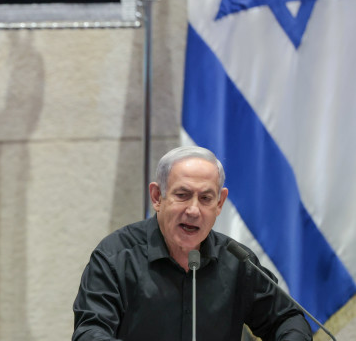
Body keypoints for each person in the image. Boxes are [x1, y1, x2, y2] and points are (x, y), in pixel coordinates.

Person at [72, 146, 312, 341]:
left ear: (219, 203)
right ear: (157, 197)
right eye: (182, 195)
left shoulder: (237, 261)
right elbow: (90, 333)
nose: (194, 210)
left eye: (206, 198)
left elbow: (288, 320)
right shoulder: (115, 256)